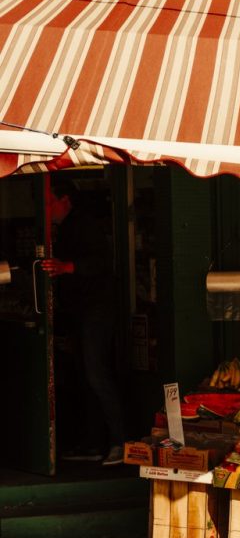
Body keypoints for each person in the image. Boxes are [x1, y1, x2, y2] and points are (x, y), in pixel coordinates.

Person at [41, 175, 126, 467]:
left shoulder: (83, 223)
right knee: (85, 377)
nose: (45, 208)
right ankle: (93, 443)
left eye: (48, 201)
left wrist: (67, 267)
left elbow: (102, 262)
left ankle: (120, 442)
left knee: (96, 375)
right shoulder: (63, 228)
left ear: (65, 200)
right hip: (80, 311)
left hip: (97, 310)